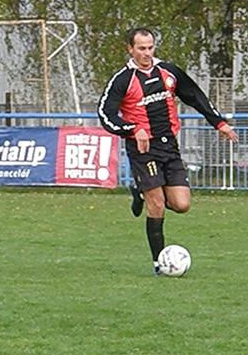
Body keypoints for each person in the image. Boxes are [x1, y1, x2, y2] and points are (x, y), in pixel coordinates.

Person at [97, 27, 238, 275]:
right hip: (143, 149)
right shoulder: (122, 79)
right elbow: (105, 114)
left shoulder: (168, 72)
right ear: (130, 49)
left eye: (150, 47)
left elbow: (195, 96)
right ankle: (159, 264)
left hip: (169, 146)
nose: (147, 53)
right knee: (157, 205)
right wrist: (132, 129)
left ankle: (140, 191)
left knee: (182, 205)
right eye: (141, 48)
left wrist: (218, 123)